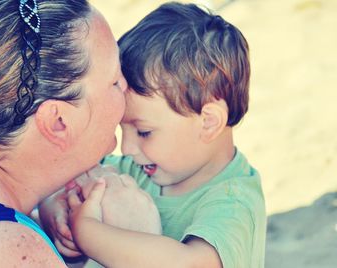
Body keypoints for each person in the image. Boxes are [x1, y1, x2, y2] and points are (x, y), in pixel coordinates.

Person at [40, 2, 267, 268]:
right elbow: (56, 185)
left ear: (208, 122)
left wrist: (88, 233)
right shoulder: (134, 168)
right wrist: (56, 211)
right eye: (120, 127)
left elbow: (193, 264)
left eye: (144, 132)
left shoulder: (233, 202)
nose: (126, 148)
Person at [0, 0, 161, 266]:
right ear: (58, 122)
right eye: (114, 81)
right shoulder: (9, 253)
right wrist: (138, 245)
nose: (126, 87)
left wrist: (44, 207)